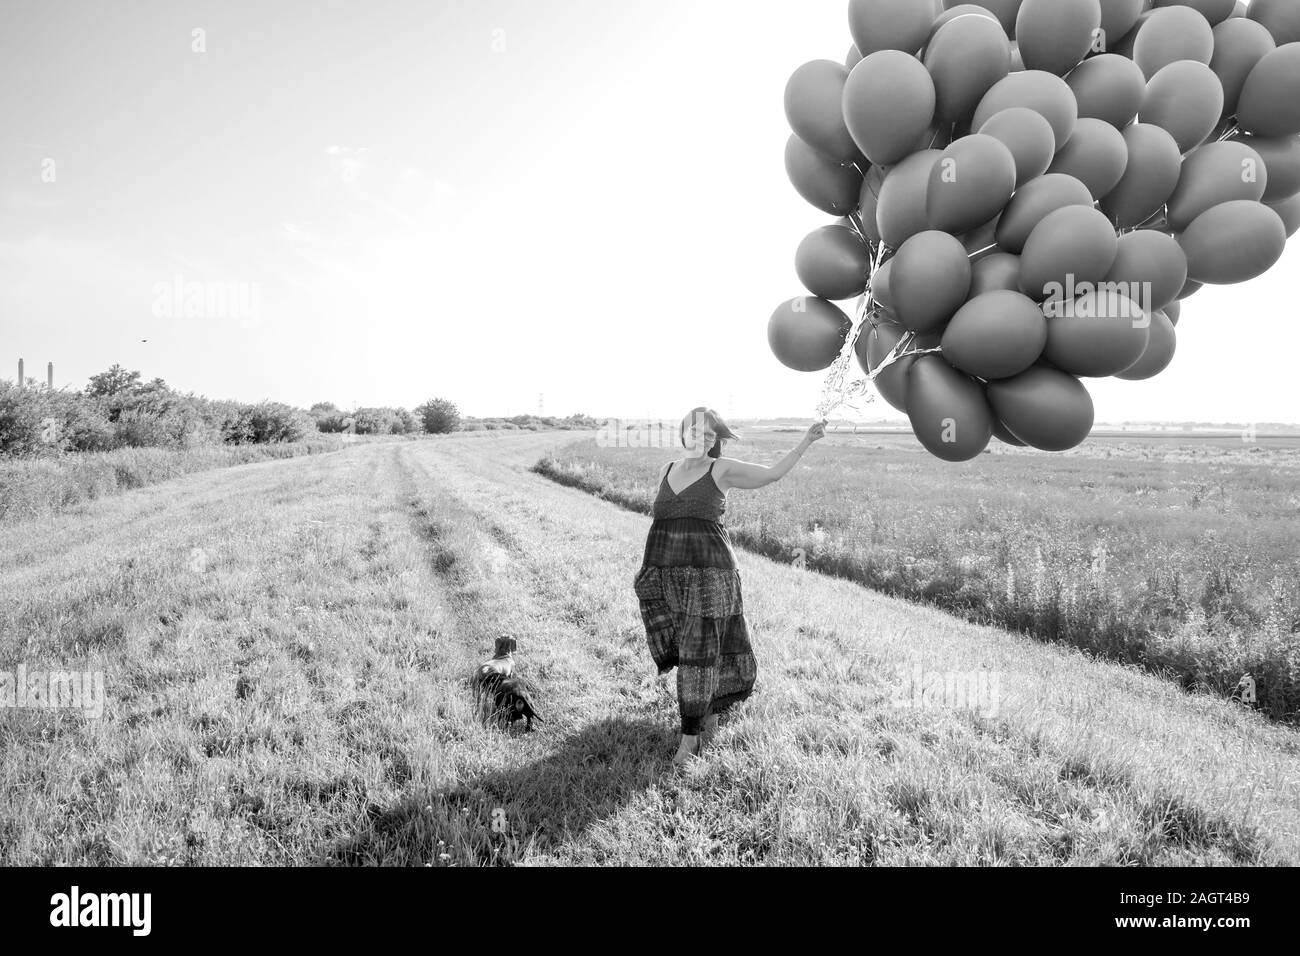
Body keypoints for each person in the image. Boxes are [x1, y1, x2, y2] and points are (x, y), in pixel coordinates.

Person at [632, 407, 826, 767]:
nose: (703, 439)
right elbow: (664, 520)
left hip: (711, 577)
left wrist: (805, 442)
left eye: (710, 435)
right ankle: (712, 709)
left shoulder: (719, 470)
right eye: (696, 431)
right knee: (699, 650)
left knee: (698, 653)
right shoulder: (667, 470)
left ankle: (689, 738)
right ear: (683, 431)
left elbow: (770, 475)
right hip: (669, 576)